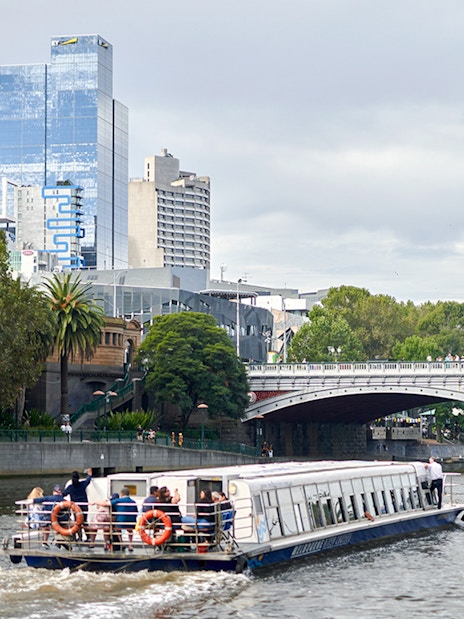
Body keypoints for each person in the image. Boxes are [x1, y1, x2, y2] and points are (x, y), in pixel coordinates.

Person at [63, 468, 92, 539]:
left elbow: (63, 494)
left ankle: (79, 537)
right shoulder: (82, 485)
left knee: (77, 522)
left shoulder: (70, 487)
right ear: (79, 478)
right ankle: (88, 537)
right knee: (84, 521)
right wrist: (89, 474)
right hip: (84, 505)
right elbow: (88, 480)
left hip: (75, 507)